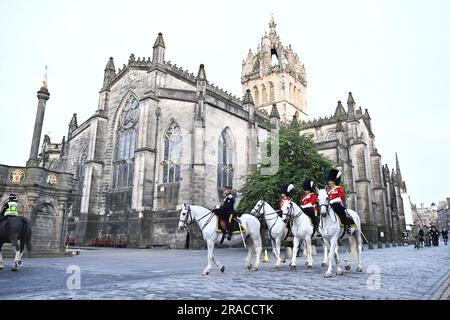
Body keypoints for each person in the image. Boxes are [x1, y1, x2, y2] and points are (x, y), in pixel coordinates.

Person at [326, 169, 351, 234]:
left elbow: (340, 198)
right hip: (329, 205)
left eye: (331, 181)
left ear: (334, 181)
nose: (329, 182)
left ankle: (347, 227)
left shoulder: (339, 188)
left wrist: (332, 201)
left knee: (342, 212)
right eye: (329, 181)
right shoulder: (328, 190)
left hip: (337, 204)